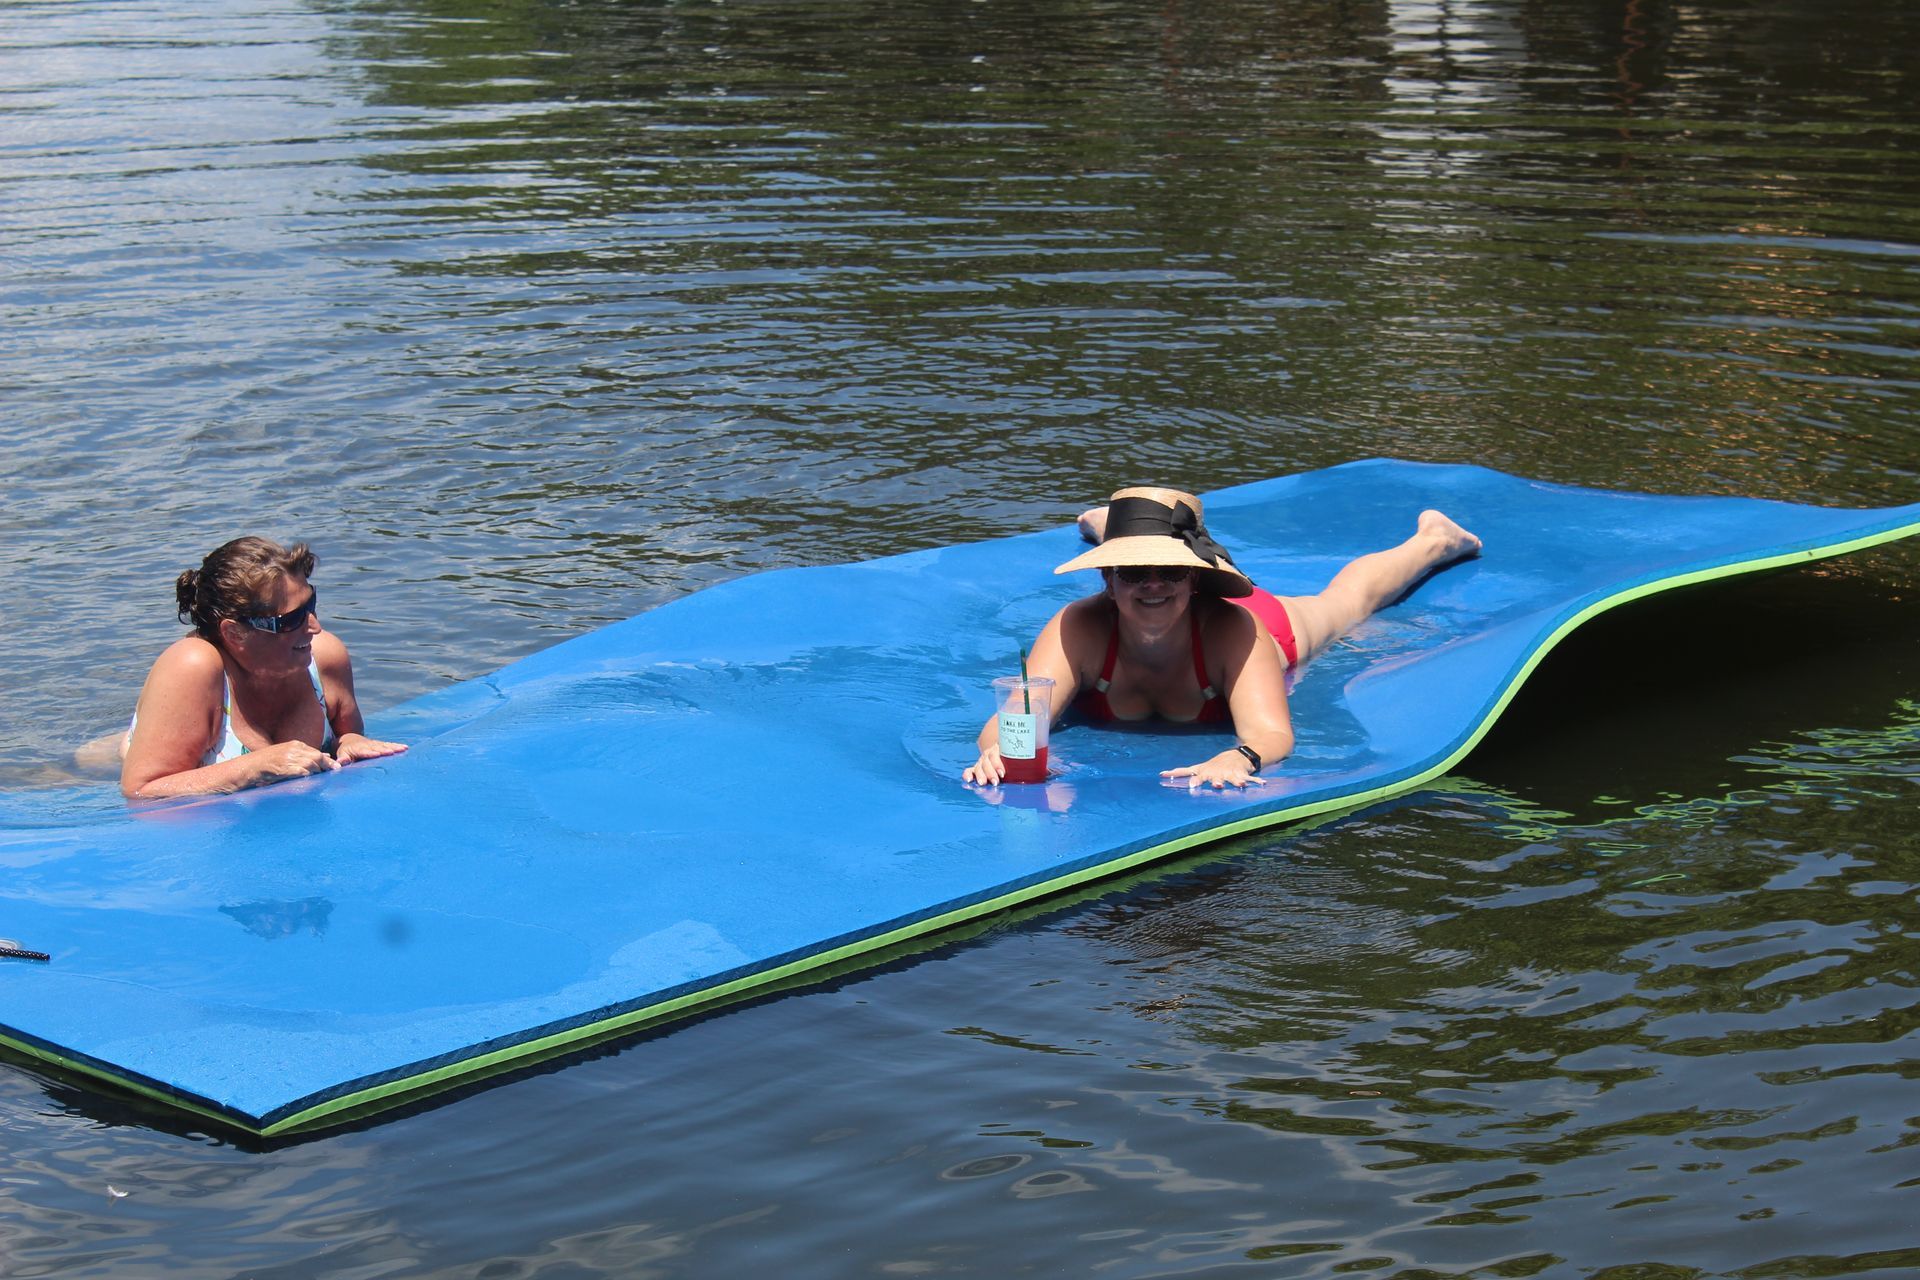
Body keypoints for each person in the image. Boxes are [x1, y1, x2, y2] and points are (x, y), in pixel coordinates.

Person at [963, 486, 1481, 789]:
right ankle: (1112, 530)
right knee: (1147, 569)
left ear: (1194, 577)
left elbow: (1272, 733)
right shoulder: (1077, 627)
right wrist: (998, 752)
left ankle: (1433, 540)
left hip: (1265, 627)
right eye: (1132, 570)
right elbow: (1012, 720)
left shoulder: (1238, 630)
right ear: (1106, 578)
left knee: (1348, 602)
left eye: (1170, 572)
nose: (1152, 584)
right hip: (1167, 609)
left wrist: (1242, 757)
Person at [118, 537, 406, 799]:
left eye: (311, 604)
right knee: (90, 761)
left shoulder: (325, 657)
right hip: (128, 751)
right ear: (234, 634)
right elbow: (141, 789)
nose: (314, 626)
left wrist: (350, 742)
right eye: (291, 619)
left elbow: (344, 738)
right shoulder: (192, 667)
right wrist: (253, 767)